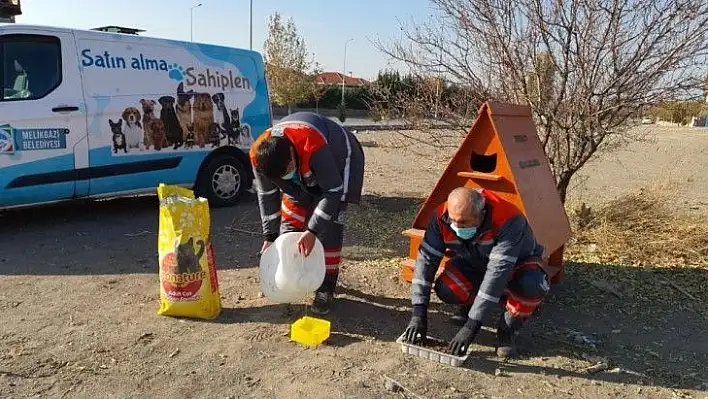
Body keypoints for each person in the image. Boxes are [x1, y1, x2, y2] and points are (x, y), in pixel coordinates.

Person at [401, 187, 551, 358]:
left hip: (516, 267)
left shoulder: (508, 219)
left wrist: (472, 326)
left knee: (531, 284)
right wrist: (418, 312)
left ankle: (507, 330)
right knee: (446, 287)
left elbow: (498, 272)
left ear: (481, 215)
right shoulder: (441, 216)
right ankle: (472, 305)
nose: (456, 226)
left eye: (464, 222)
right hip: (474, 262)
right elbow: (426, 260)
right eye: (453, 220)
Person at [249, 112, 365, 315]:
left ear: (293, 155)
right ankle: (295, 275)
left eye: (288, 170)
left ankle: (326, 288)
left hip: (341, 159)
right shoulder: (259, 156)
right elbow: (267, 195)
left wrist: (312, 230)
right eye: (281, 176)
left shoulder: (311, 144)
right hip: (304, 167)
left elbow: (332, 191)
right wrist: (270, 236)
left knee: (329, 227)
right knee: (290, 219)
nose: (286, 176)